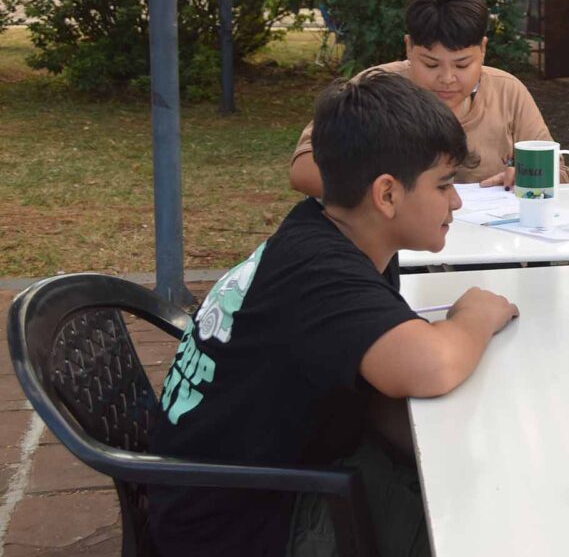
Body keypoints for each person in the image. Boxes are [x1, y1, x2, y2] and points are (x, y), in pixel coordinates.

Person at [149, 71, 519, 556]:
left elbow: (380, 380)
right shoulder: (321, 274)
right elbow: (432, 364)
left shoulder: (329, 231)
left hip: (261, 481)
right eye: (445, 184)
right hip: (247, 523)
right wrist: (475, 313)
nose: (456, 200)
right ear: (387, 194)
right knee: (484, 530)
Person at [290, 0, 566, 192]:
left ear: (482, 50)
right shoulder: (373, 90)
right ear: (409, 48)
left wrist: (528, 176)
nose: (447, 78)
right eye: (431, 65)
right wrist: (398, 196)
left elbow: (559, 172)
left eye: (462, 65)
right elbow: (304, 170)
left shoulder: (507, 92)